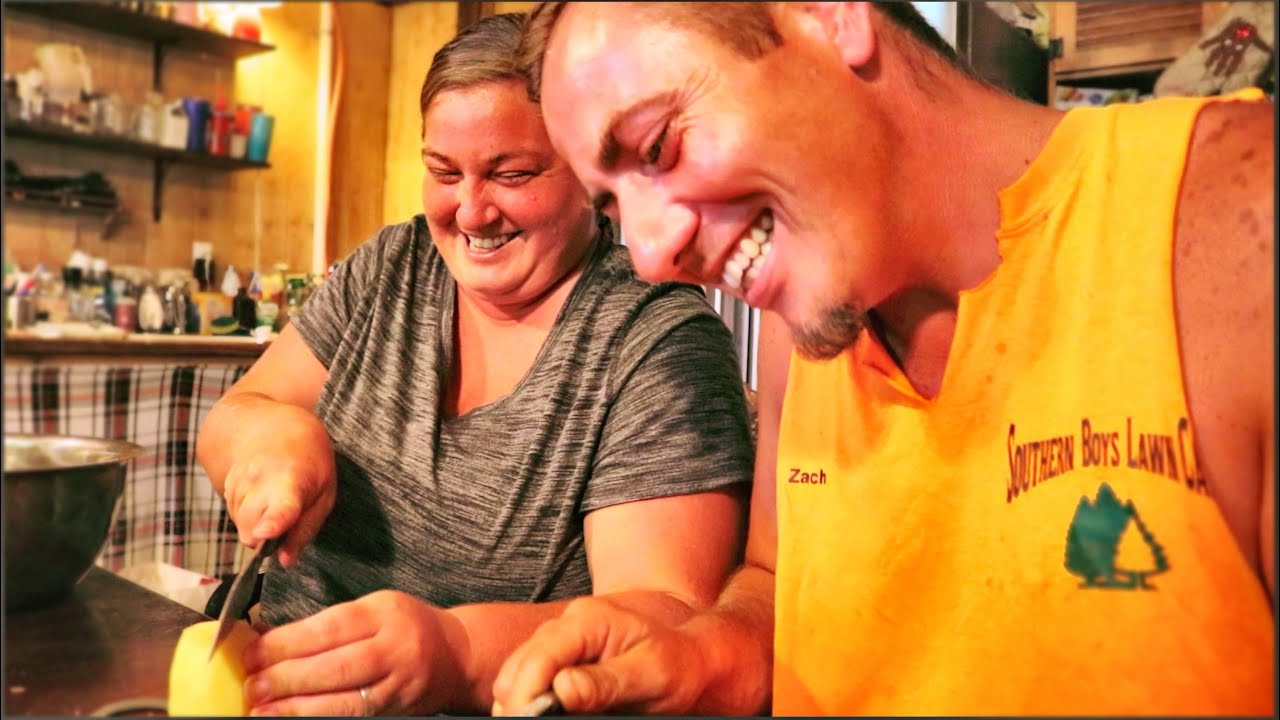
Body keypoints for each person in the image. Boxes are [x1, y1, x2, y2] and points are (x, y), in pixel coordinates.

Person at [491, 2, 1275, 715]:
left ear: (830, 15)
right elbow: (774, 586)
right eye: (615, 205)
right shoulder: (810, 305)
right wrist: (703, 652)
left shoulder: (1234, 211)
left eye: (656, 145)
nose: (654, 255)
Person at [194, 12, 755, 716]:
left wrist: (458, 652)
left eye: (512, 173)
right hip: (270, 680)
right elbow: (235, 416)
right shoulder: (392, 267)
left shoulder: (655, 335)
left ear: (589, 170)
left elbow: (663, 619)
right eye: (442, 172)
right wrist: (271, 441)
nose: (470, 211)